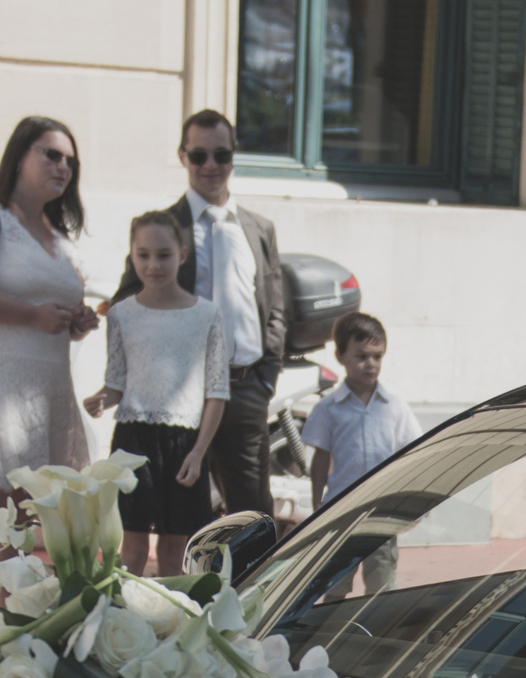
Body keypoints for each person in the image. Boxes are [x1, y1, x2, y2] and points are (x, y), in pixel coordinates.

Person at [0, 115, 100, 580]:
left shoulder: (59, 235)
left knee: (25, 509)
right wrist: (31, 316)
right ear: (18, 156)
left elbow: (53, 314)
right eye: (51, 154)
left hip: (47, 388)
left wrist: (77, 322)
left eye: (70, 161)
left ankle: (6, 611)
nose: (63, 166)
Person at [116, 110, 287, 519]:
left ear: (234, 155)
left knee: (252, 519)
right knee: (184, 520)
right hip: (181, 394)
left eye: (221, 155)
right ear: (182, 156)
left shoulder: (259, 229)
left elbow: (275, 308)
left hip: (245, 390)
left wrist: (266, 378)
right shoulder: (163, 228)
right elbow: (127, 304)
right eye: (199, 156)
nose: (211, 165)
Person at [84, 209, 229, 575]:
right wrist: (102, 398)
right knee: (131, 546)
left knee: (174, 549)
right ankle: (125, 607)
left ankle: (169, 610)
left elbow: (216, 392)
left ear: (182, 254)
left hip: (184, 443)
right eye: (143, 255)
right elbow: (117, 382)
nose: (153, 265)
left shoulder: (207, 315)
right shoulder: (121, 314)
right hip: (133, 440)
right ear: (132, 256)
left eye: (164, 255)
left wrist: (198, 452)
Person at [300, 312, 420, 509]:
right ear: (340, 356)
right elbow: (321, 458)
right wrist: (317, 502)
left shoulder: (394, 405)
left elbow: (411, 451)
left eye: (377, 357)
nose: (371, 364)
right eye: (362, 356)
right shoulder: (328, 408)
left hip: (383, 503)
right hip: (341, 503)